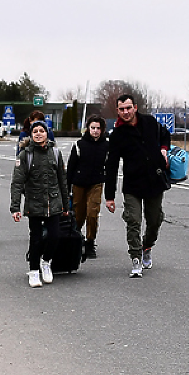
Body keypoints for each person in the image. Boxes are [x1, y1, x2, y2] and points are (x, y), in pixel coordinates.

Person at [104, 94, 171, 278]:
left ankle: (146, 246)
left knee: (155, 219)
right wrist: (109, 196)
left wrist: (164, 149)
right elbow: (111, 166)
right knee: (133, 220)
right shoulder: (117, 135)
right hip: (132, 185)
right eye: (121, 109)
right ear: (117, 111)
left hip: (154, 182)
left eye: (128, 108)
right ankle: (135, 257)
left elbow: (165, 134)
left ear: (135, 107)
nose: (125, 112)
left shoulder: (149, 122)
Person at [10, 119, 70, 288]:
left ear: (47, 133)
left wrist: (66, 205)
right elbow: (17, 183)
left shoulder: (56, 153)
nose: (38, 134)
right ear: (31, 134)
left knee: (55, 235)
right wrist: (15, 207)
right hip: (34, 204)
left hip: (54, 202)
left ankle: (46, 262)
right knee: (35, 239)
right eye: (35, 131)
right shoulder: (25, 155)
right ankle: (34, 270)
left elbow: (62, 181)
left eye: (41, 131)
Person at [66, 114, 108, 259]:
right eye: (93, 128)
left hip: (96, 183)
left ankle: (90, 242)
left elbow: (110, 167)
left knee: (92, 213)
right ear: (88, 129)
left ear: (102, 130)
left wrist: (110, 192)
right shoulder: (79, 145)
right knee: (78, 215)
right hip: (79, 184)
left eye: (98, 128)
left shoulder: (106, 146)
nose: (95, 131)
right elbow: (71, 167)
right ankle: (75, 239)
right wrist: (66, 188)